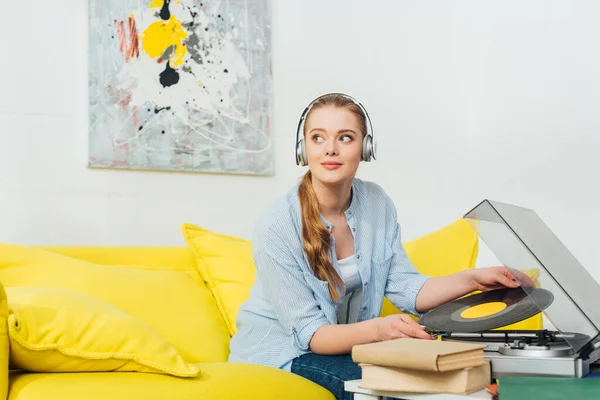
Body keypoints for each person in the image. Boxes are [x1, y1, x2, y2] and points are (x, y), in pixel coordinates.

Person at [228, 93, 533, 400]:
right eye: (318, 138)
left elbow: (407, 288)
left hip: (345, 349)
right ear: (303, 149)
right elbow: (313, 336)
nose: (330, 149)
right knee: (403, 393)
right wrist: (379, 331)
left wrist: (471, 280)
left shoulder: (376, 203)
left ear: (366, 148)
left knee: (462, 384)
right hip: (281, 354)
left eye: (345, 138)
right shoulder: (276, 224)